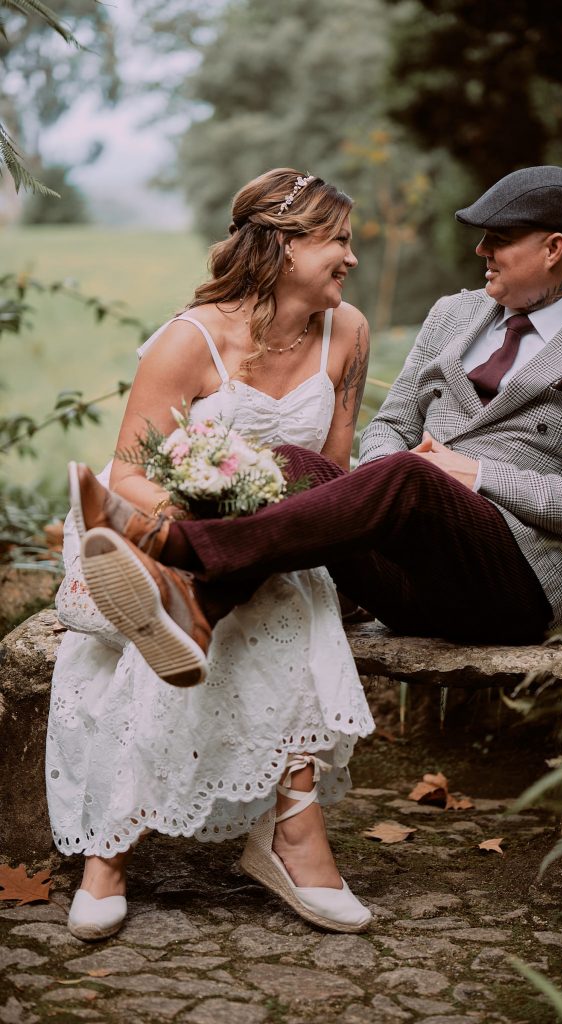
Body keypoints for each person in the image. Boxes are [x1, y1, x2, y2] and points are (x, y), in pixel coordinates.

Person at [75, 164, 562, 736]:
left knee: (410, 476)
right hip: (408, 582)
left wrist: (473, 474)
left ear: (554, 248)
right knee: (296, 461)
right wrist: (384, 476)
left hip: (515, 588)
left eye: (499, 240)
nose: (481, 250)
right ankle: (199, 603)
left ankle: (187, 558)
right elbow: (391, 427)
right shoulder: (452, 316)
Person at [48, 168, 376, 943]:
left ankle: (117, 854)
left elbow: (332, 476)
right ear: (283, 245)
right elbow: (126, 475)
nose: (350, 260)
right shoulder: (186, 340)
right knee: (233, 592)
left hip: (277, 541)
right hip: (159, 532)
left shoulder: (348, 332)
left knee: (266, 591)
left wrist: (260, 518)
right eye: (337, 241)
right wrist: (209, 512)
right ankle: (284, 831)